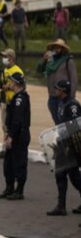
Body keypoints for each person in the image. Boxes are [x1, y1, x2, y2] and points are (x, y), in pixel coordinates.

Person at [46, 80, 81, 216]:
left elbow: (75, 129)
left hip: (70, 146)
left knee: (68, 175)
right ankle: (61, 205)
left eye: (58, 89)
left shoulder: (72, 106)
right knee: (68, 175)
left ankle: (61, 206)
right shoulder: (61, 102)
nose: (56, 91)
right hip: (63, 144)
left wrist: (74, 149)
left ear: (64, 91)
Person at [0, 73, 31, 200]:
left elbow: (18, 120)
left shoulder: (20, 99)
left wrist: (10, 136)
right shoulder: (16, 97)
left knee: (19, 163)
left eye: (10, 82)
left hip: (19, 135)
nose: (8, 84)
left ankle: (19, 190)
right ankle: (9, 187)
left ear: (15, 83)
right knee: (8, 164)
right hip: (13, 133)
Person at [37, 39, 78, 123]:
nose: (56, 49)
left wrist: (72, 97)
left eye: (59, 47)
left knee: (65, 123)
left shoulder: (68, 61)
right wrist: (44, 60)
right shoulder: (50, 61)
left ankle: (65, 136)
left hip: (64, 98)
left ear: (63, 49)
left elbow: (74, 80)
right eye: (55, 47)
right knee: (57, 123)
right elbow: (39, 70)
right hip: (52, 97)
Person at [0, 49, 24, 158]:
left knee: (12, 126)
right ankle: (5, 148)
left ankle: (10, 148)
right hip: (5, 102)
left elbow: (21, 87)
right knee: (5, 126)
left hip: (13, 102)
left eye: (6, 56)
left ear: (12, 57)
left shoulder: (17, 71)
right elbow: (2, 88)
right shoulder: (5, 70)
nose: (4, 58)